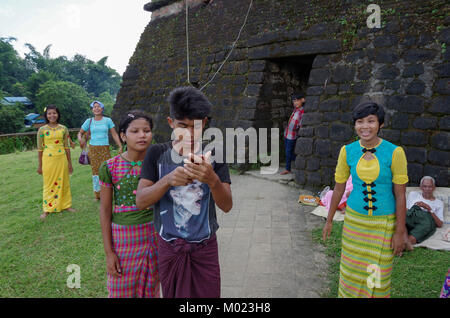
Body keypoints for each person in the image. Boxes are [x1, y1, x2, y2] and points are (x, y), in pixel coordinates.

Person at [136, 86, 233, 298]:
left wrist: (212, 179)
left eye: (195, 126)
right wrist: (168, 180)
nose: (189, 134)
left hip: (205, 248)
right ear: (171, 123)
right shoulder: (157, 153)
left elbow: (226, 205)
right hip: (170, 248)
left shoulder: (213, 154)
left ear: (205, 123)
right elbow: (141, 200)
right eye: (182, 125)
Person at [322, 101, 408, 298]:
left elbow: (401, 195)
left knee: (378, 274)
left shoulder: (395, 153)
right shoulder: (347, 151)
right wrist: (329, 221)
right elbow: (339, 188)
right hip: (355, 223)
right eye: (360, 122)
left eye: (371, 121)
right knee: (351, 270)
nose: (365, 126)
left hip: (383, 224)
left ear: (381, 124)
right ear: (355, 125)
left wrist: (400, 231)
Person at [98, 110, 159, 298]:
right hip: (124, 239)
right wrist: (109, 253)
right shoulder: (110, 167)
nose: (142, 135)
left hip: (156, 236)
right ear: (123, 136)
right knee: (120, 289)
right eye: (135, 131)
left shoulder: (160, 163)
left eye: (146, 130)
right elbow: (106, 210)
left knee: (152, 289)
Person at [78, 101, 122, 201]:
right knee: (95, 171)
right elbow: (80, 133)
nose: (96, 108)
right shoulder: (89, 121)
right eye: (94, 107)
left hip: (104, 148)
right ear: (92, 109)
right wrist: (80, 139)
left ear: (102, 109)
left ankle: (109, 192)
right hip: (93, 149)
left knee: (107, 170)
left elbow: (114, 134)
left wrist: (120, 146)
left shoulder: (108, 120)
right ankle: (98, 195)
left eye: (99, 107)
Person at [37, 105, 76, 219]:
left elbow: (67, 147)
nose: (52, 115)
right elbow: (40, 149)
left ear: (58, 114)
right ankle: (47, 209)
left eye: (54, 113)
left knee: (64, 182)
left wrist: (69, 163)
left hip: (61, 158)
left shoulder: (63, 129)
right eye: (49, 113)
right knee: (48, 184)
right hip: (48, 160)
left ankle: (66, 205)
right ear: (46, 115)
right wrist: (40, 166)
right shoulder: (42, 130)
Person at [404, 176, 444, 251]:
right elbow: (407, 210)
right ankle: (402, 242)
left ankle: (403, 246)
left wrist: (428, 208)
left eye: (430, 187)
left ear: (434, 187)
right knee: (402, 217)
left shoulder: (439, 203)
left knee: (426, 224)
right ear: (421, 187)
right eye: (425, 186)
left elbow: (440, 224)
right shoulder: (413, 194)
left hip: (424, 223)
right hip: (411, 217)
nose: (427, 189)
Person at [280, 93, 305, 175]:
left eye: (297, 101)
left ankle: (289, 167)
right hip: (287, 134)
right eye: (294, 101)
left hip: (293, 135)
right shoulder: (295, 110)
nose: (295, 103)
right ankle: (295, 162)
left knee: (288, 152)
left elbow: (300, 124)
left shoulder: (302, 111)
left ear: (302, 100)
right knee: (288, 152)